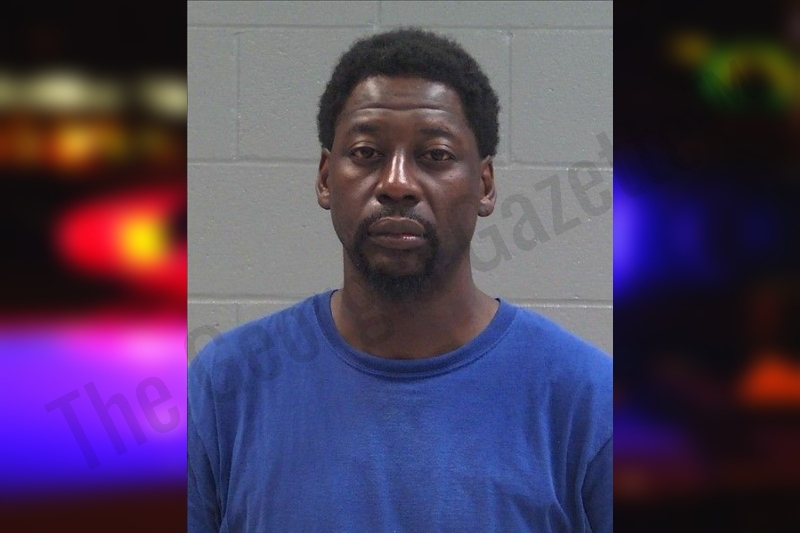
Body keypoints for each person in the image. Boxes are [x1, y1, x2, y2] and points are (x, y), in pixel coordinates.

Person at [188, 28, 612, 532]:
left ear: (485, 185)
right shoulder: (226, 385)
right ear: (325, 178)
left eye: (435, 155)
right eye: (366, 153)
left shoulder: (588, 400)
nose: (396, 183)